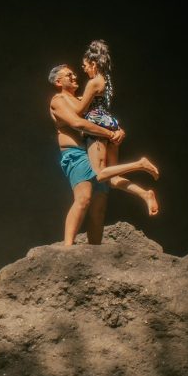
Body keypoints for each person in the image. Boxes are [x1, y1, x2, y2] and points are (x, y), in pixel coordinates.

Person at [48, 63, 159, 246]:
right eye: (69, 75)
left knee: (99, 209)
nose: (74, 76)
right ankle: (66, 248)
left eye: (74, 73)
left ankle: (95, 252)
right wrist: (108, 133)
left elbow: (103, 118)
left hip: (93, 151)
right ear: (58, 81)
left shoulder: (83, 99)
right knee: (83, 198)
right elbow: (77, 124)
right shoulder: (58, 100)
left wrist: (118, 131)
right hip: (76, 154)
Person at [69, 39, 159, 217]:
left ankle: (140, 163)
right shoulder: (107, 81)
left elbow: (79, 111)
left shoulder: (94, 82)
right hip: (111, 125)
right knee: (112, 178)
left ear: (93, 64)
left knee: (100, 175)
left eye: (85, 65)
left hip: (98, 129)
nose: (84, 69)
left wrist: (68, 101)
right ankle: (145, 194)